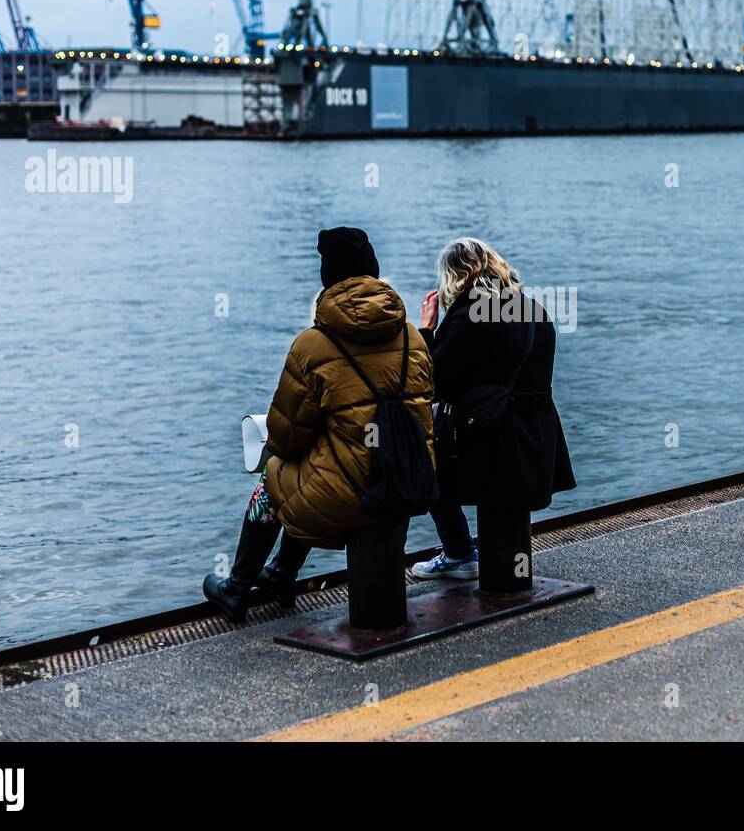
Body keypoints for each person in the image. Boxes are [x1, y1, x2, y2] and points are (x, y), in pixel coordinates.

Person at [203, 227, 435, 622]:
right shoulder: (413, 336)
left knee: (275, 476)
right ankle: (279, 573)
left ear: (328, 278)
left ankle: (237, 587)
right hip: (409, 482)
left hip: (353, 495)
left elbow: (287, 438)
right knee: (318, 466)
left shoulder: (312, 345)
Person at [411, 237, 575, 580]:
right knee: (504, 515)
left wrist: (426, 332)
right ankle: (500, 571)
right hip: (535, 437)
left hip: (491, 442)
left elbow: (431, 385)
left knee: (420, 457)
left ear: (453, 276)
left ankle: (459, 553)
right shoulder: (531, 309)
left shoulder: (468, 316)